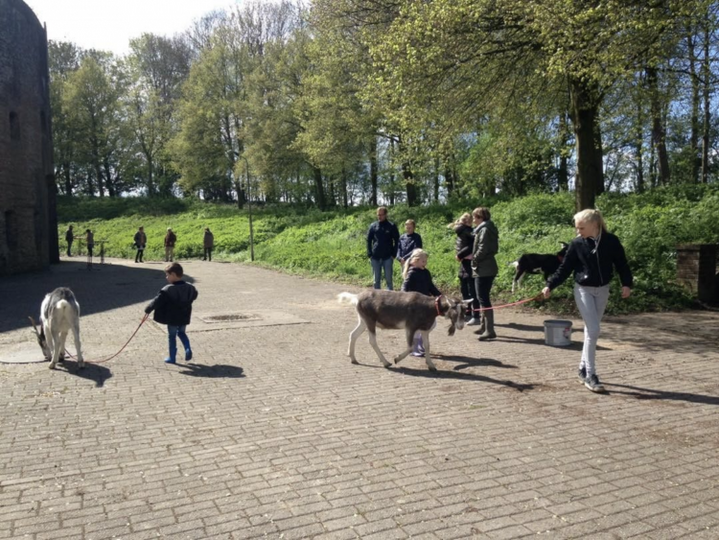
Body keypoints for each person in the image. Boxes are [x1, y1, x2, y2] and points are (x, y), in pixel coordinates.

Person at [542, 209, 632, 393]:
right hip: (583, 290)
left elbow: (622, 263)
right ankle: (591, 374)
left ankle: (582, 369)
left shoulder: (611, 241)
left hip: (603, 290)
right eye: (577, 228)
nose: (578, 232)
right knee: (594, 330)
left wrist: (626, 283)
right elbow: (565, 268)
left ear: (595, 225)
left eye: (581, 228)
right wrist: (550, 285)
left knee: (591, 330)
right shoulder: (576, 244)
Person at [144, 262, 199, 365]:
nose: (166, 277)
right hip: (184, 316)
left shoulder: (168, 289)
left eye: (167, 275)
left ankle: (172, 358)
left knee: (172, 336)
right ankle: (187, 348)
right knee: (182, 333)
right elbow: (194, 296)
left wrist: (148, 309)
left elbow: (157, 301)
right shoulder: (190, 287)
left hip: (172, 317)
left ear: (173, 274)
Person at [401, 249, 441, 356]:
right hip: (415, 306)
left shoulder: (426, 272)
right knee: (417, 327)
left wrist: (440, 296)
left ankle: (419, 344)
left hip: (426, 304)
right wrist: (402, 298)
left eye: (425, 260)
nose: (425, 263)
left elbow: (431, 287)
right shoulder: (411, 273)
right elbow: (404, 287)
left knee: (432, 324)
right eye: (423, 261)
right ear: (415, 261)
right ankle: (413, 348)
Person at [471, 207, 499, 341]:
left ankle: (489, 330)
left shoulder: (484, 230)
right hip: (487, 267)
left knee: (483, 298)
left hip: (484, 268)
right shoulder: (487, 228)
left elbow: (483, 248)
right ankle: (484, 327)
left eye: (475, 217)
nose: (473, 220)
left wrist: (474, 258)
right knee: (482, 297)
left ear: (481, 218)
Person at [450, 213, 479, 325]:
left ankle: (475, 314)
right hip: (464, 261)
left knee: (472, 289)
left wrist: (459, 255)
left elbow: (471, 246)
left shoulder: (468, 231)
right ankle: (468, 312)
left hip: (468, 261)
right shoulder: (463, 230)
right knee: (465, 288)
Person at [367, 206, 400, 290]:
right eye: (378, 215)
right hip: (375, 257)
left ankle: (390, 300)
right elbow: (368, 240)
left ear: (386, 215)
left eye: (381, 215)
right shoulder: (373, 226)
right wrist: (369, 253)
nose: (380, 216)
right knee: (376, 280)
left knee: (389, 280)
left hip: (388, 257)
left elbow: (397, 240)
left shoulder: (391, 226)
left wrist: (394, 254)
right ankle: (377, 300)